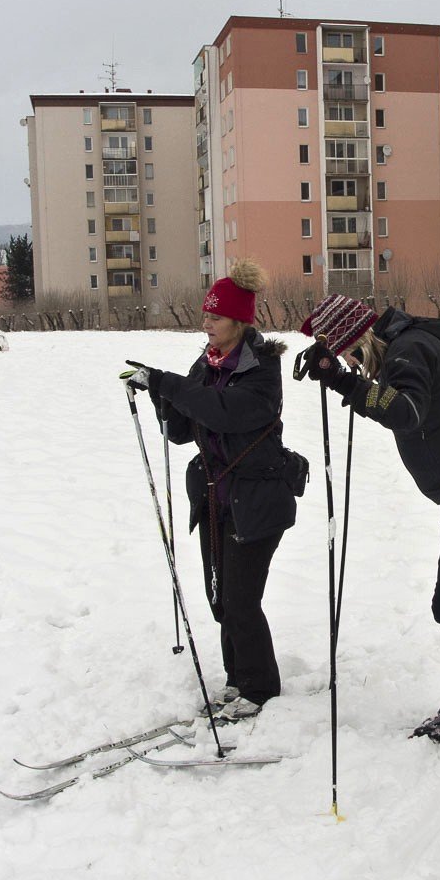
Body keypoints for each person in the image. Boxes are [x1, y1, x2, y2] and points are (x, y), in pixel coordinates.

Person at [298, 294, 440, 740]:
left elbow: (405, 411)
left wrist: (342, 381)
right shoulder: (407, 345)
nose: (354, 364)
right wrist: (344, 381)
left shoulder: (409, 350)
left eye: (351, 355)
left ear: (360, 340)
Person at [126, 260, 296, 723]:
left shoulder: (262, 369)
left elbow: (226, 412)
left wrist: (170, 384)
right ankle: (237, 680)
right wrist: (159, 398)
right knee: (220, 598)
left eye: (214, 318)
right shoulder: (206, 362)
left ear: (239, 323)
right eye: (205, 316)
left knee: (242, 598)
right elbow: (185, 429)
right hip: (216, 495)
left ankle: (260, 688)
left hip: (258, 500)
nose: (206, 325)